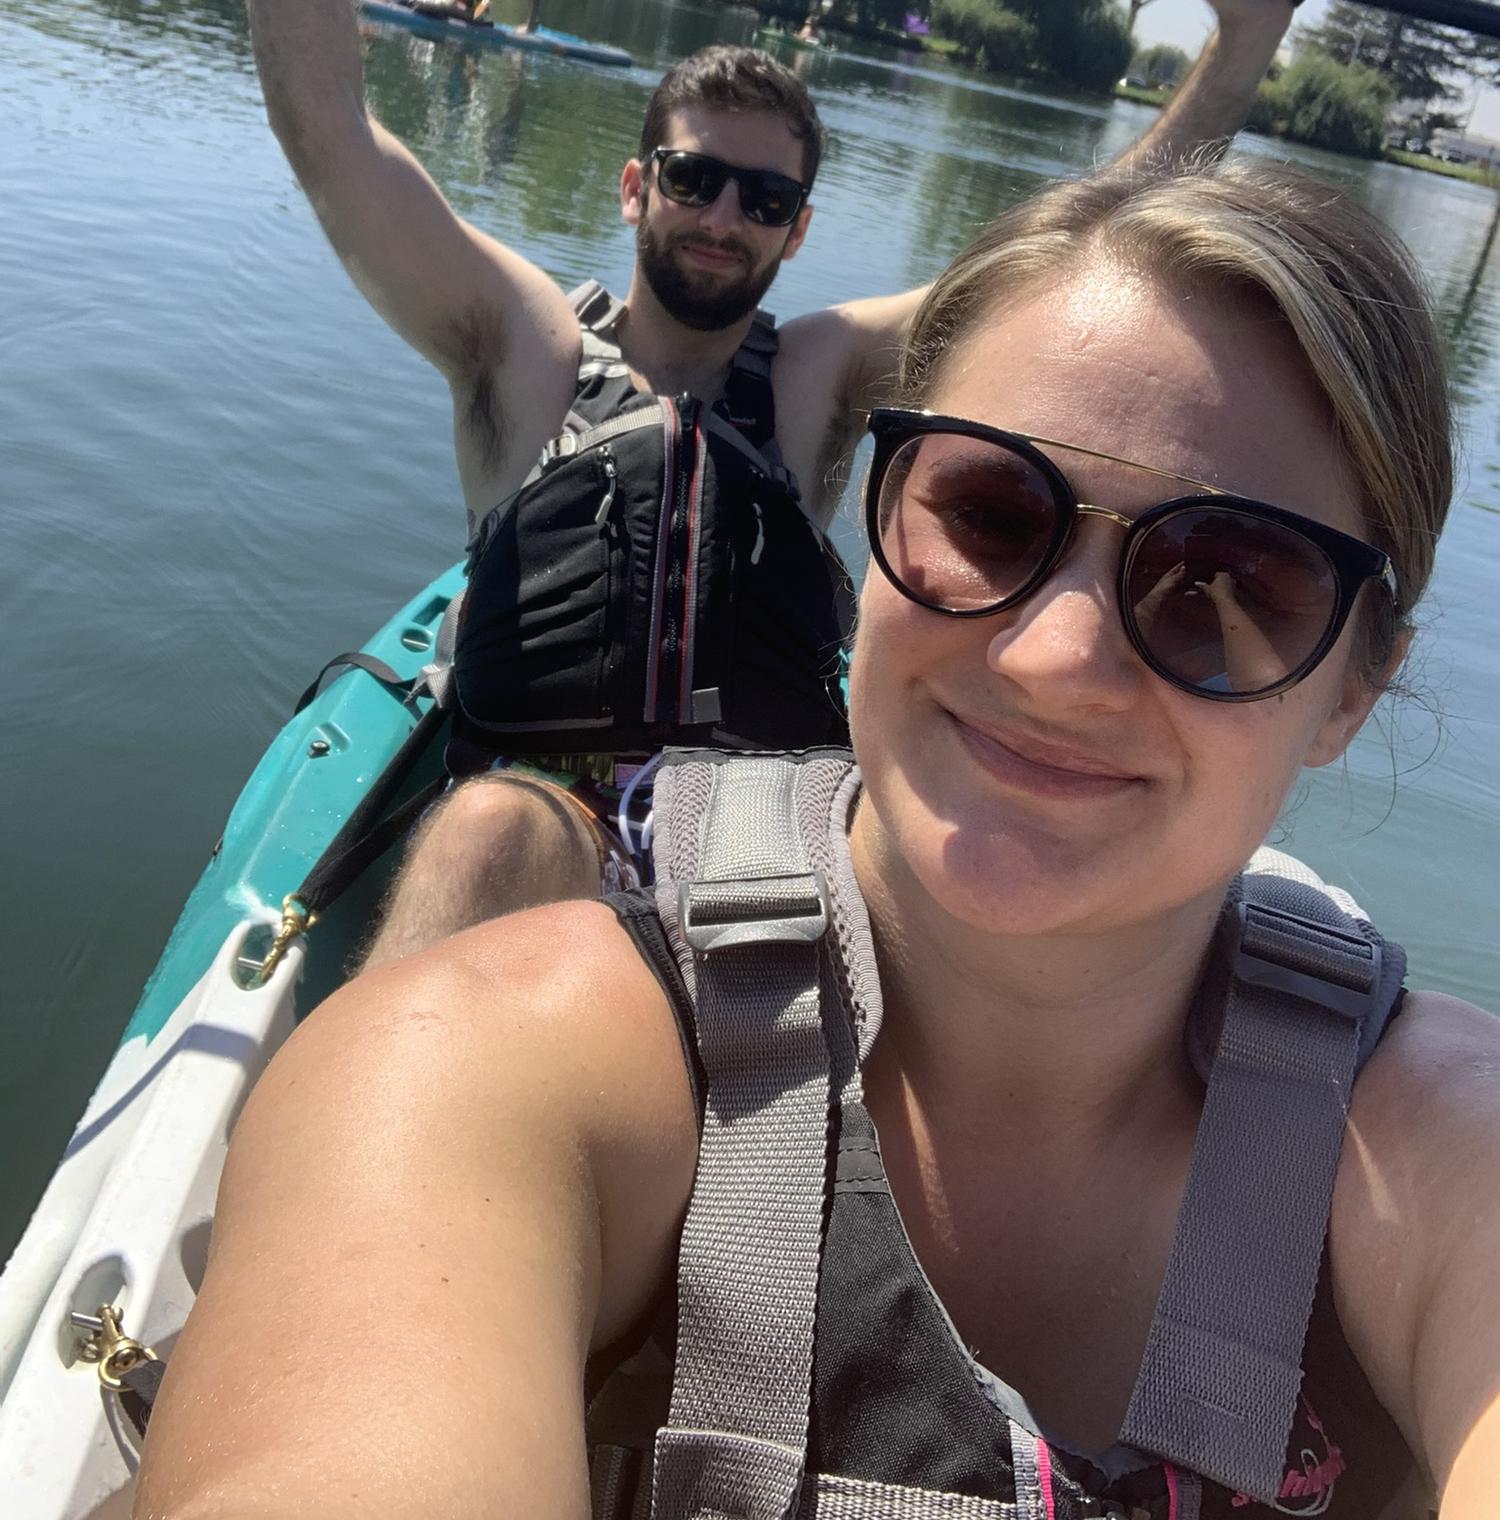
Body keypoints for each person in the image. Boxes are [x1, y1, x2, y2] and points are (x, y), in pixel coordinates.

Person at [134, 157, 1500, 1515]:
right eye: (991, 512)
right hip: (606, 841)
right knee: (491, 824)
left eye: (1225, 581)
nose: (1059, 657)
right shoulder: (484, 1064)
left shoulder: (1447, 1143)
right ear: (881, 513)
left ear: (1354, 688)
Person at [246, 0, 1303, 969]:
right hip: (538, 832)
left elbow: (1069, 257)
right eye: (692, 179)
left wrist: (1239, 43)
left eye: (764, 197)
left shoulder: (818, 376)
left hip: (761, 846)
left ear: (797, 227)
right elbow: (330, 132)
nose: (721, 216)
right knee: (488, 837)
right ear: (638, 187)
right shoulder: (519, 342)